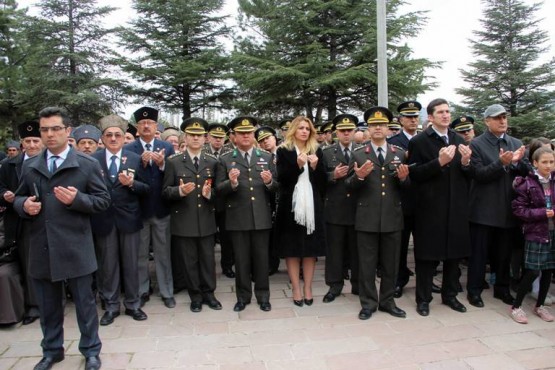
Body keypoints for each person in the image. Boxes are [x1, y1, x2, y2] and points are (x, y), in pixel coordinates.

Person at [14, 107, 110, 370]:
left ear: (68, 132)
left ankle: (90, 350)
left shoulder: (87, 164)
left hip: (76, 245)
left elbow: (103, 201)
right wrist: (24, 206)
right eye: (45, 129)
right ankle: (52, 350)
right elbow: (19, 197)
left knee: (85, 304)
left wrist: (77, 200)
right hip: (42, 244)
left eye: (55, 128)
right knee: (48, 305)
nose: (49, 134)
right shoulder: (31, 165)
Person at [408, 98, 472, 317]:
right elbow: (414, 174)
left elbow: (467, 175)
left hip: (455, 207)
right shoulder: (419, 141)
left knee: (453, 256)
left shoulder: (457, 138)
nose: (446, 115)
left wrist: (465, 163)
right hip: (429, 208)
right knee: (427, 257)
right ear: (431, 117)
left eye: (447, 111)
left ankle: (450, 295)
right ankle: (423, 299)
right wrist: (439, 162)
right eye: (440, 112)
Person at [346, 106, 409, 320]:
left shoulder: (399, 153)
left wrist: (403, 179)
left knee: (391, 263)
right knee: (366, 264)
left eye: (382, 125)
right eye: (374, 125)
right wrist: (360, 177)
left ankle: (388, 302)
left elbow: (407, 186)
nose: (378, 128)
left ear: (389, 128)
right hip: (367, 217)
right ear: (369, 129)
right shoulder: (358, 153)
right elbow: (349, 186)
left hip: (392, 216)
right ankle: (368, 303)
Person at [467, 104, 528, 308]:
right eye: (497, 118)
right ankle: (474, 291)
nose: (502, 121)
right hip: (483, 211)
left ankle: (502, 289)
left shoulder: (515, 143)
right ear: (487, 121)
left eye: (504, 117)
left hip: (508, 211)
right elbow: (478, 175)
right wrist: (501, 163)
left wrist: (518, 163)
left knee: (504, 254)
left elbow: (526, 173)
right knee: (479, 255)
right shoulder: (476, 144)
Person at [91, 114, 150, 326]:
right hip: (104, 219)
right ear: (103, 138)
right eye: (109, 135)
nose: (114, 138)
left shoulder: (135, 158)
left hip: (129, 219)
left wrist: (132, 183)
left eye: (117, 135)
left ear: (124, 137)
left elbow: (146, 189)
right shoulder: (92, 160)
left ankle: (133, 304)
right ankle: (111, 305)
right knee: (108, 265)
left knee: (131, 264)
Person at [216, 116, 278, 312]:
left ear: (253, 135)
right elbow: (219, 189)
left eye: (249, 133)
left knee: (261, 259)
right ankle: (242, 297)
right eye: (241, 133)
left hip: (261, 216)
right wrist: (232, 183)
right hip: (237, 218)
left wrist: (269, 182)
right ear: (234, 136)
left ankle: (263, 296)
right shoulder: (225, 159)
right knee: (241, 260)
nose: (245, 136)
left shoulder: (266, 157)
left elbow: (277, 187)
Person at [163, 118, 222, 313]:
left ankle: (209, 294)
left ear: (205, 139)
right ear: (185, 138)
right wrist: (179, 192)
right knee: (189, 261)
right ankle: (195, 296)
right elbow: (165, 192)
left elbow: (219, 193)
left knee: (207, 259)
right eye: (191, 135)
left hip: (205, 218)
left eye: (199, 135)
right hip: (184, 220)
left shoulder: (213, 162)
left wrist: (209, 195)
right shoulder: (174, 162)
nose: (195, 138)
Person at [124, 107, 176, 309]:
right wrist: (142, 165)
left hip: (162, 208)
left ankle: (166, 291)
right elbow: (129, 179)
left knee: (164, 253)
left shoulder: (167, 147)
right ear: (137, 128)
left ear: (156, 127)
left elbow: (172, 177)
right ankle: (142, 290)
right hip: (139, 210)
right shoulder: (130, 150)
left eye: (150, 123)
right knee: (140, 255)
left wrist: (163, 164)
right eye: (142, 124)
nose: (146, 126)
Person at [275, 116, 326, 307]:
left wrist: (314, 167)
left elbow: (323, 184)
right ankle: (296, 288)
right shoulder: (283, 151)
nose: (304, 131)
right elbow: (282, 180)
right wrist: (297, 165)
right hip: (291, 206)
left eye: (308, 129)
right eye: (301, 128)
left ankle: (308, 288)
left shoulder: (317, 150)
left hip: (313, 205)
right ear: (293, 131)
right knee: (292, 249)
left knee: (310, 250)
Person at [0, 120, 44, 325]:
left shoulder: (47, 161)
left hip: (44, 219)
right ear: (21, 143)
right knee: (28, 263)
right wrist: (6, 196)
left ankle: (52, 302)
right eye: (28, 141)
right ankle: (33, 306)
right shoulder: (9, 164)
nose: (33, 145)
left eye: (36, 140)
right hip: (18, 221)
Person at [511, 147, 555, 323]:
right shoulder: (526, 183)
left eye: (551, 162)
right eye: (544, 162)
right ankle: (516, 306)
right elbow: (519, 210)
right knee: (532, 271)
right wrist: (542, 213)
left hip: (552, 232)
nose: (549, 165)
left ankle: (540, 305)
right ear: (535, 163)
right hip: (535, 233)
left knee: (548, 271)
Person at [387, 100, 425, 298]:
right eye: (408, 116)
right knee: (400, 246)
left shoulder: (426, 139)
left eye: (415, 116)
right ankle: (399, 280)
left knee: (424, 245)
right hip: (402, 200)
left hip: (424, 201)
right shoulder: (394, 142)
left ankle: (424, 281)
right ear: (401, 120)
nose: (412, 119)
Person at [322, 114, 359, 303]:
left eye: (349, 130)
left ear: (354, 131)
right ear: (336, 132)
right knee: (334, 252)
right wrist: (332, 175)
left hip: (358, 210)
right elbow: (318, 180)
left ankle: (358, 284)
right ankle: (334, 286)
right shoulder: (327, 152)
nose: (346, 133)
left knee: (358, 251)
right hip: (335, 210)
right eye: (342, 130)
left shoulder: (363, 151)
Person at [203, 123, 235, 278]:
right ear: (208, 137)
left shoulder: (231, 152)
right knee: (208, 237)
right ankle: (208, 267)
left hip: (225, 200)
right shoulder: (202, 151)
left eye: (221, 138)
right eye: (215, 137)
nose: (218, 140)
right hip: (206, 200)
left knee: (226, 236)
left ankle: (227, 266)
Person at [255, 126, 280, 275]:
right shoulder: (260, 157)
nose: (265, 142)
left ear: (275, 138)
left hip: (284, 198)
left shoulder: (284, 154)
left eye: (268, 138)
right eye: (261, 141)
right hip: (268, 199)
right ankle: (271, 264)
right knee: (270, 235)